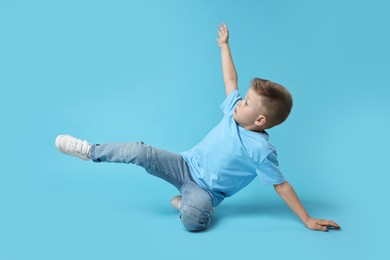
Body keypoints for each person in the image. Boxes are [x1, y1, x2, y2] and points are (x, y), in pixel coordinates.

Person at [55, 23, 340, 232]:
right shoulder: (233, 113)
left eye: (247, 103)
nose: (239, 102)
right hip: (183, 164)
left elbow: (282, 185)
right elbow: (231, 81)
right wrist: (225, 47)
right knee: (139, 152)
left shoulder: (261, 151)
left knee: (195, 218)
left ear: (260, 121)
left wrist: (307, 219)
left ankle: (185, 205)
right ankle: (90, 151)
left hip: (205, 193)